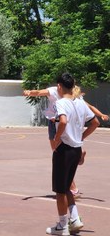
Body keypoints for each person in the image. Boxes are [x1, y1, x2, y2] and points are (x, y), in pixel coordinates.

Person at [45, 73, 99, 235]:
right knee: (67, 185)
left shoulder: (61, 103)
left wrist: (56, 139)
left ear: (59, 87)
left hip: (64, 150)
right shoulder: (80, 103)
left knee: (60, 191)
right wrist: (81, 136)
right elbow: (95, 122)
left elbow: (62, 121)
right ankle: (74, 219)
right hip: (76, 150)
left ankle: (62, 226)